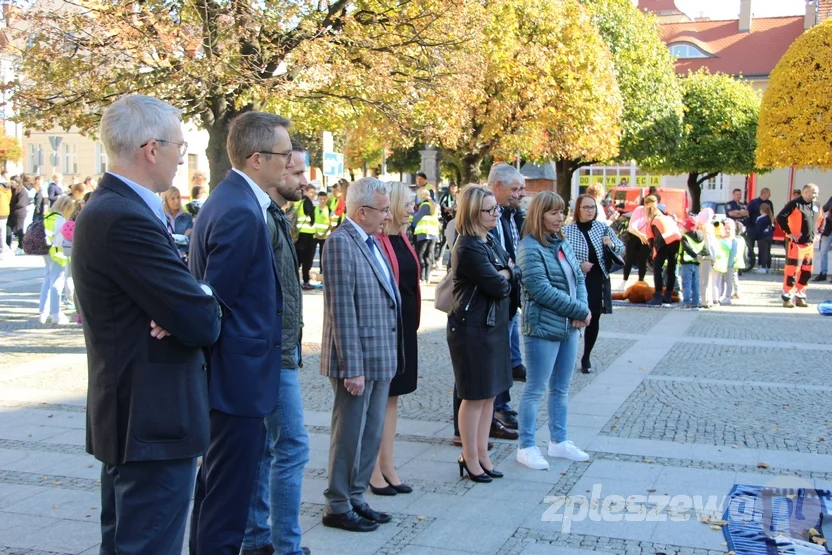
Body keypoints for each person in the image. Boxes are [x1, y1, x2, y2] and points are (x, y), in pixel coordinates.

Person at [72, 95, 222, 555]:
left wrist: (191, 297)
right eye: (179, 146)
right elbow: (200, 322)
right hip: (149, 421)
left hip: (139, 418)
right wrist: (201, 298)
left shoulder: (120, 208)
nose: (182, 157)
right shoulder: (123, 216)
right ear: (151, 148)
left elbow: (187, 305)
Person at [189, 111, 290, 554]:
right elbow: (215, 301)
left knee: (217, 489)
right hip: (236, 381)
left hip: (237, 376)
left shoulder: (237, 200)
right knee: (227, 498)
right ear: (256, 159)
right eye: (284, 155)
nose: (290, 163)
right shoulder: (239, 210)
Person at [320, 177, 403, 532]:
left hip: (380, 356)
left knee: (371, 434)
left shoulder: (372, 242)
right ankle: (337, 504)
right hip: (356, 361)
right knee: (349, 435)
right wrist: (352, 367)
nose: (388, 216)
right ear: (362, 211)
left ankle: (356, 497)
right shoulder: (341, 243)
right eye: (383, 210)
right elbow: (342, 309)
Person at [241, 142, 310, 555]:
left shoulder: (274, 215)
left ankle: (259, 538)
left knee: (268, 449)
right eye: (296, 171)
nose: (302, 180)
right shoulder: (257, 216)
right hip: (271, 355)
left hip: (280, 351)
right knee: (291, 445)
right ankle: (283, 546)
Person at [516, 191, 591, 470]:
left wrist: (580, 308)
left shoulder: (562, 242)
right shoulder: (529, 246)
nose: (560, 217)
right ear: (539, 215)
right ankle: (526, 446)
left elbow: (578, 277)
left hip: (569, 326)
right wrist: (578, 311)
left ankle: (558, 441)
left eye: (562, 212)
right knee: (535, 389)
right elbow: (540, 290)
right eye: (553, 212)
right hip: (542, 327)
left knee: (561, 388)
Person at [448, 185, 513, 483]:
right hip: (472, 329)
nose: (495, 214)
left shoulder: (489, 240)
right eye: (489, 210)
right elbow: (499, 284)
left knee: (488, 396)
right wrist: (506, 273)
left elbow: (514, 270)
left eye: (495, 208)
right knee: (473, 396)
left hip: (492, 327)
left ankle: (483, 456)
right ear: (474, 213)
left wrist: (507, 273)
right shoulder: (469, 246)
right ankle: (470, 457)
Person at [369, 181, 421, 497]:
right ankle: (373, 468)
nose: (413, 208)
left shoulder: (403, 238)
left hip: (404, 330)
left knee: (392, 400)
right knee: (378, 401)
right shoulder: (378, 240)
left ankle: (387, 464)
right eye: (409, 203)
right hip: (387, 330)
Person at [563, 194, 624, 374]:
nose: (590, 211)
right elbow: (562, 255)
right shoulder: (568, 230)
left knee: (594, 317)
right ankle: (568, 354)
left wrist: (611, 244)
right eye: (586, 207)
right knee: (576, 315)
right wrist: (579, 265)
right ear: (578, 209)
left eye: (592, 207)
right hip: (577, 279)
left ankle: (586, 355)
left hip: (598, 278)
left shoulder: (602, 228)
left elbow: (621, 248)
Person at [776, 184, 819, 308]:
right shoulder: (794, 204)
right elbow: (780, 218)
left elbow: (821, 220)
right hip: (796, 244)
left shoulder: (817, 206)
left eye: (816, 193)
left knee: (806, 272)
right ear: (805, 192)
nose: (816, 195)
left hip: (809, 244)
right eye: (814, 192)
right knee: (792, 271)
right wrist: (789, 233)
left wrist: (818, 234)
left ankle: (800, 296)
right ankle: (787, 297)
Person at [38, 195, 75, 324]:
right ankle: (55, 313)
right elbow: (61, 241)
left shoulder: (48, 216)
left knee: (47, 281)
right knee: (57, 283)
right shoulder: (60, 220)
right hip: (58, 254)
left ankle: (43, 312)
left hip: (46, 252)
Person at [643, 195, 682, 306]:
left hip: (664, 242)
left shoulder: (653, 221)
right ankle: (668, 296)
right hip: (676, 240)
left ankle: (658, 296)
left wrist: (654, 254)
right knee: (671, 269)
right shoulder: (668, 218)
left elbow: (651, 241)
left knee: (657, 270)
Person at [410, 186, 440, 283]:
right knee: (429, 255)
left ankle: (422, 277)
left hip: (424, 233)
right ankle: (427, 277)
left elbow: (416, 218)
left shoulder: (424, 205)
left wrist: (407, 216)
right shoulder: (433, 204)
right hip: (433, 234)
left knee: (420, 255)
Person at [714, 218, 745, 306]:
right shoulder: (722, 239)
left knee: (728, 280)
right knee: (722, 280)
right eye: (725, 228)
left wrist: (730, 264)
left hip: (729, 264)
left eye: (729, 228)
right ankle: (720, 295)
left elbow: (733, 253)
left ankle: (727, 297)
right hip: (722, 264)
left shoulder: (734, 240)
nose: (727, 230)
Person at [677, 216, 706, 310]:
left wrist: (694, 255)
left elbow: (686, 248)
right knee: (695, 283)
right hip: (696, 264)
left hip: (687, 263)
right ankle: (696, 302)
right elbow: (705, 250)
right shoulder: (701, 236)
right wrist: (699, 256)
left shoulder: (685, 237)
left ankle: (686, 302)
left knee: (686, 283)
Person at [294, 184, 319, 290]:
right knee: (307, 260)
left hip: (299, 235)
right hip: (307, 235)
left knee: (298, 260)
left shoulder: (298, 201)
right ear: (306, 192)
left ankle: (295, 281)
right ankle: (305, 282)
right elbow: (311, 217)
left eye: (314, 193)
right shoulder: (307, 201)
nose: (313, 195)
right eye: (311, 192)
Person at [161, 186, 194, 260]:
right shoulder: (161, 217)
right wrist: (182, 238)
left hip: (182, 258)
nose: (176, 201)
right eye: (172, 198)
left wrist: (170, 237)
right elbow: (162, 239)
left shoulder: (186, 217)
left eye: (178, 197)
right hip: (166, 257)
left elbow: (189, 241)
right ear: (166, 200)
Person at [622, 204, 650, 289]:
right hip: (634, 236)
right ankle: (625, 280)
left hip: (646, 238)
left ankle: (641, 280)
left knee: (643, 261)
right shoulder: (639, 210)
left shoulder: (653, 211)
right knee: (629, 259)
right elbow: (632, 226)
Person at [747, 188, 773, 272]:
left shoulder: (769, 203)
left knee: (764, 250)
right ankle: (751, 263)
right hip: (753, 227)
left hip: (761, 231)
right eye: (768, 193)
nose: (770, 195)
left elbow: (771, 215)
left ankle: (764, 266)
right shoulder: (754, 202)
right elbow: (748, 213)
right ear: (764, 193)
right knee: (751, 246)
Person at [437, 181, 458, 266]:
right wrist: (447, 209)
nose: (453, 188)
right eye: (452, 187)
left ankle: (453, 260)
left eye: (454, 187)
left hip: (456, 222)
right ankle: (440, 258)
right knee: (445, 240)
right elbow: (442, 206)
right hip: (447, 221)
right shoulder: (446, 196)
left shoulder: (458, 197)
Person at [814, 194, 832, 281]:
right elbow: (823, 209)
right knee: (823, 251)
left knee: (823, 252)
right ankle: (823, 273)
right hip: (828, 229)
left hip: (828, 229)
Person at [313, 190, 331, 274]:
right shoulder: (314, 209)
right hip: (315, 235)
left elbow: (332, 223)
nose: (322, 201)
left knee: (323, 255)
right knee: (311, 254)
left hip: (325, 236)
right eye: (321, 199)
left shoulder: (329, 210)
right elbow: (312, 221)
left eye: (324, 199)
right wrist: (315, 232)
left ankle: (322, 272)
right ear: (318, 199)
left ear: (326, 199)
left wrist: (324, 233)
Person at [755, 204, 775, 274]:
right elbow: (773, 228)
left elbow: (758, 229)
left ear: (761, 210)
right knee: (768, 252)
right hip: (769, 236)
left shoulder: (760, 218)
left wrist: (755, 236)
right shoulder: (770, 218)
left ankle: (762, 267)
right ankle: (768, 267)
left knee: (763, 252)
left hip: (762, 237)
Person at [0, 178, 10, 258]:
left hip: (0, 212)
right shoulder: (7, 190)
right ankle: (4, 247)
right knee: (2, 231)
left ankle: (3, 247)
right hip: (5, 212)